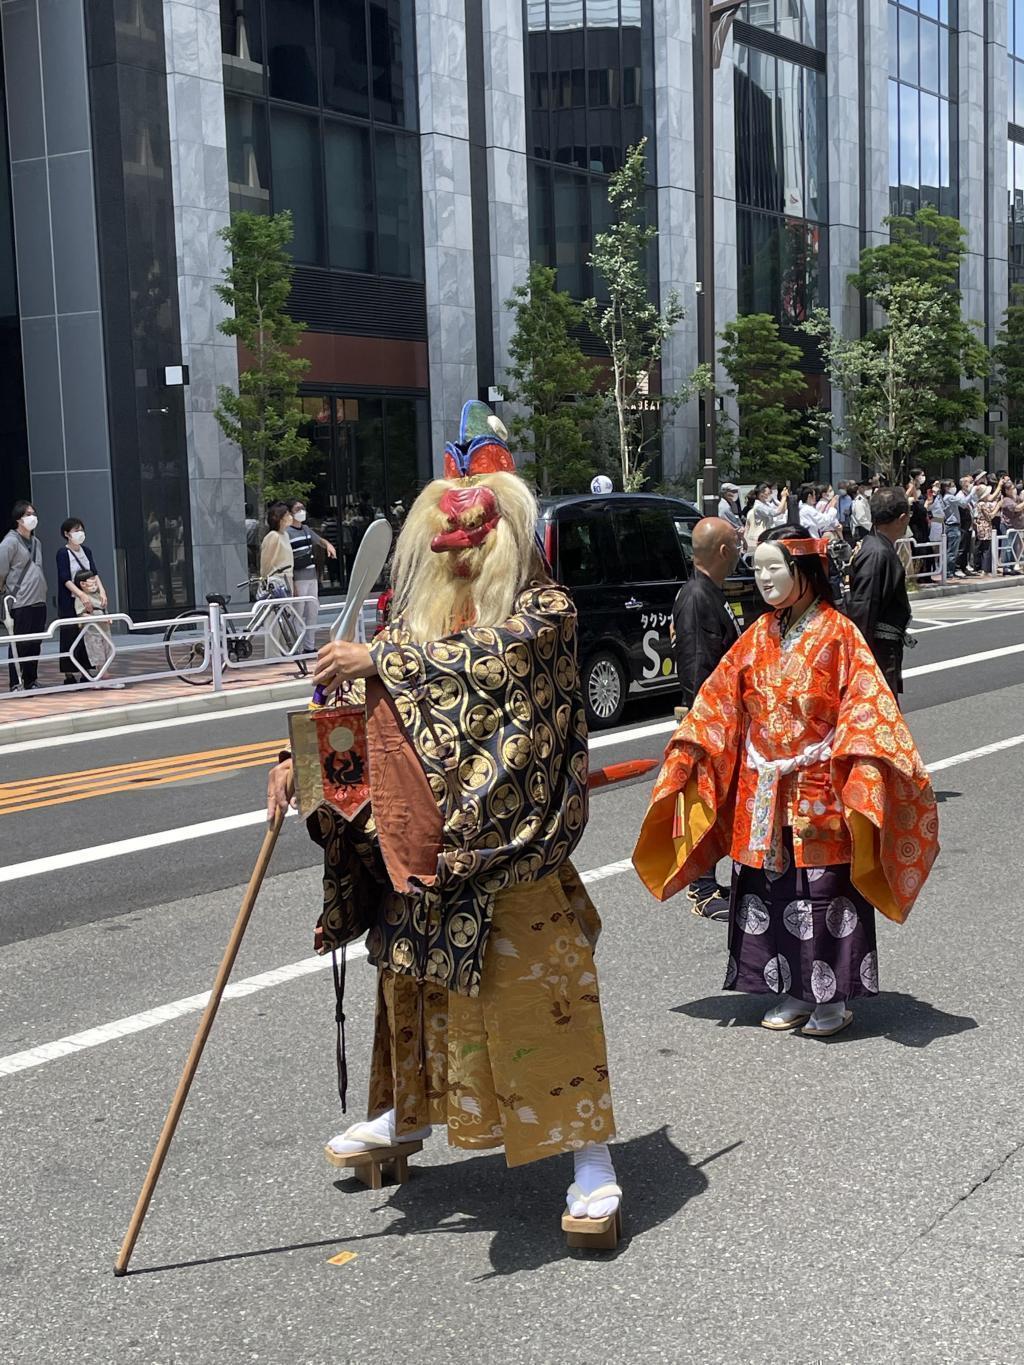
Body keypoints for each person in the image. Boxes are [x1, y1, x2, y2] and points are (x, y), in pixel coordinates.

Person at [266, 400, 621, 1244]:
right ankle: (401, 1116)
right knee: (410, 991)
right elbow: (360, 704)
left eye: (476, 537)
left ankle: (593, 1160)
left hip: (510, 853)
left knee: (542, 1000)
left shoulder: (544, 615)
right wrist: (301, 763)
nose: (459, 552)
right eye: (445, 540)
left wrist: (382, 660)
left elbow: (487, 667)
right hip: (418, 849)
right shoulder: (407, 626)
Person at [633, 526, 939, 1039]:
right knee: (771, 889)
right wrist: (693, 744)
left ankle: (833, 997)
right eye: (757, 567)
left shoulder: (840, 634)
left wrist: (860, 766)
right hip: (763, 787)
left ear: (805, 571)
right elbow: (720, 699)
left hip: (818, 784)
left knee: (822, 890)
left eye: (775, 566)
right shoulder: (757, 635)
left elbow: (868, 707)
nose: (764, 577)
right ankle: (793, 989)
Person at [671, 517, 742, 920]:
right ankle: (700, 887)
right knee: (703, 800)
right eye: (735, 544)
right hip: (709, 719)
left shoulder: (709, 592)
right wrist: (709, 721)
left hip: (721, 716)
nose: (739, 551)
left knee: (719, 802)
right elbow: (698, 668)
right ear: (722, 551)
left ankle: (710, 880)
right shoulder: (698, 596)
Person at [847, 487, 913, 701]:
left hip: (883, 646)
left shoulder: (877, 546)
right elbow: (864, 606)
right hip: (878, 650)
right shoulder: (877, 552)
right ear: (902, 518)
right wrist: (859, 657)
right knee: (879, 707)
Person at [0, 501, 48, 691]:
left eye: (33, 513)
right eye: (28, 514)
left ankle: (31, 680)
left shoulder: (37, 542)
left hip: (39, 599)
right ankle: (16, 682)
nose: (32, 517)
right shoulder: (9, 542)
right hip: (20, 600)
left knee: (35, 643)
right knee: (19, 643)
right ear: (19, 518)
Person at [285, 497, 338, 659]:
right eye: (297, 509)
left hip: (311, 576)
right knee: (298, 612)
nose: (301, 512)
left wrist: (328, 545)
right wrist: (292, 582)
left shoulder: (306, 529)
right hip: (298, 577)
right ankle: (297, 647)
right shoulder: (287, 533)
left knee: (312, 611)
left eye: (302, 508)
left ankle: (309, 646)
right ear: (290, 513)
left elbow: (320, 540)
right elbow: (287, 559)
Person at [56, 517, 106, 684]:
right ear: (66, 534)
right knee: (70, 634)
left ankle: (87, 670)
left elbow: (94, 572)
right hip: (70, 600)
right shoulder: (63, 553)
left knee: (88, 634)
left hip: (90, 598)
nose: (80, 533)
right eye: (75, 530)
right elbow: (64, 577)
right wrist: (80, 594)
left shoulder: (87, 551)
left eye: (81, 530)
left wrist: (102, 591)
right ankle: (69, 674)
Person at [259, 502, 300, 661]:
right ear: (281, 519)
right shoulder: (272, 536)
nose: (290, 517)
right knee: (274, 620)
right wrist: (264, 581)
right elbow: (266, 562)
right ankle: (273, 655)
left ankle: (284, 651)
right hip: (275, 579)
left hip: (287, 578)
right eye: (288, 515)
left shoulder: (285, 535)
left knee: (285, 617)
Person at [72, 569, 114, 676]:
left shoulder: (99, 595)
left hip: (105, 630)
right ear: (82, 584)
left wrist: (107, 617)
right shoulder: (81, 598)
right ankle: (104, 677)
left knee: (108, 652)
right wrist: (98, 618)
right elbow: (82, 615)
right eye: (91, 580)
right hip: (93, 632)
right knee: (97, 654)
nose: (95, 582)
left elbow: (104, 609)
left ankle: (102, 677)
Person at [929, 480, 962, 580]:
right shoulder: (932, 495)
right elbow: (930, 506)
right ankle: (945, 571)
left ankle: (944, 569)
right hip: (936, 522)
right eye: (936, 485)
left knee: (945, 549)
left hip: (943, 523)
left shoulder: (940, 497)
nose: (937, 487)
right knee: (940, 548)